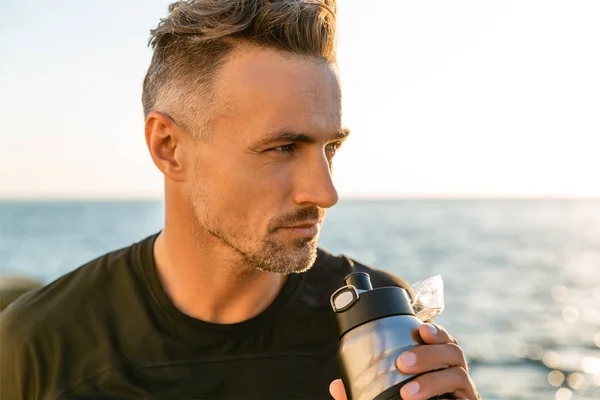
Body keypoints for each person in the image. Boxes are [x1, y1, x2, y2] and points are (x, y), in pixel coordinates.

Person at [0, 1, 480, 399]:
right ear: (169, 147)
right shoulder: (39, 346)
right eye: (282, 147)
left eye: (330, 147)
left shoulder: (375, 329)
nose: (325, 192)